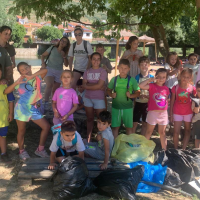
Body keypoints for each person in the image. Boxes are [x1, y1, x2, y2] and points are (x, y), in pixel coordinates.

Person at [4, 62, 50, 160]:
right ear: (20, 73)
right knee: (21, 130)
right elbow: (6, 91)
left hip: (33, 108)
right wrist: (16, 82)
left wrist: (32, 76)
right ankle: (21, 151)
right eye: (22, 70)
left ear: (30, 67)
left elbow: (45, 70)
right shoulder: (20, 81)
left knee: (46, 126)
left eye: (26, 68)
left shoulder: (37, 78)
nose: (25, 71)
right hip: (21, 109)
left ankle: (40, 150)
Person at [107, 59, 140, 138]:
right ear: (118, 68)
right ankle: (114, 146)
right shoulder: (114, 79)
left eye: (125, 68)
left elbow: (138, 92)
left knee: (129, 128)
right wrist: (111, 95)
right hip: (116, 107)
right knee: (115, 128)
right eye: (121, 68)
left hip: (128, 108)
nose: (123, 70)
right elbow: (108, 90)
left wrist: (131, 96)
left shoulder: (132, 80)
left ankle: (130, 145)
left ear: (129, 69)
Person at [139, 68, 170, 150]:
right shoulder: (152, 86)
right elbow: (141, 85)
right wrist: (149, 80)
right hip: (153, 113)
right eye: (159, 77)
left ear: (166, 78)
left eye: (163, 77)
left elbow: (167, 100)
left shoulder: (166, 89)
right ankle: (143, 150)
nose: (161, 79)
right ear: (156, 77)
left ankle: (165, 151)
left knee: (162, 133)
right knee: (149, 132)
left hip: (163, 114)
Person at [41, 36, 70, 112]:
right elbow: (43, 55)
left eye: (65, 42)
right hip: (49, 69)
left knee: (55, 90)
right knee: (49, 84)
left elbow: (66, 65)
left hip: (59, 72)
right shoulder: (52, 48)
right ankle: (46, 103)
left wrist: (64, 57)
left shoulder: (66, 53)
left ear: (66, 45)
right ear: (60, 41)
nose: (62, 42)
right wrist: (43, 63)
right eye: (62, 40)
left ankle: (53, 105)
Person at [83, 52, 107, 142]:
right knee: (89, 119)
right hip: (87, 98)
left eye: (98, 59)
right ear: (91, 60)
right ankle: (88, 138)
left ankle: (101, 139)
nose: (96, 61)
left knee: (101, 119)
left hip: (99, 99)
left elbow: (98, 85)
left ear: (100, 60)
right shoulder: (87, 71)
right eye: (94, 59)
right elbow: (84, 84)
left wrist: (88, 85)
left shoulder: (103, 71)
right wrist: (96, 85)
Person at [170, 68, 195, 150]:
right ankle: (176, 149)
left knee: (187, 131)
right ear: (180, 76)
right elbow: (172, 101)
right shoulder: (175, 88)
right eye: (184, 76)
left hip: (188, 112)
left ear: (190, 78)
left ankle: (183, 149)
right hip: (177, 112)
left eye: (188, 77)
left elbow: (194, 101)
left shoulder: (192, 88)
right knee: (176, 132)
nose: (185, 79)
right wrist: (170, 114)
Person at [132, 56, 154, 135]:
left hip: (148, 103)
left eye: (145, 65)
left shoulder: (152, 78)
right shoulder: (136, 78)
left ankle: (142, 140)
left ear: (149, 66)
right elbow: (134, 90)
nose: (144, 67)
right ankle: (132, 140)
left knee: (145, 123)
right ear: (138, 66)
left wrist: (149, 97)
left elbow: (154, 91)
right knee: (134, 123)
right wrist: (138, 95)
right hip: (138, 102)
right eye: (142, 65)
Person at [68, 25, 93, 90]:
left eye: (79, 34)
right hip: (77, 68)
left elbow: (91, 58)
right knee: (72, 84)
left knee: (86, 85)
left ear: (82, 34)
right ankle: (73, 99)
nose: (77, 36)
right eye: (76, 34)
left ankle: (84, 99)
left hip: (86, 68)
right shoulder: (73, 45)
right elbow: (71, 59)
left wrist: (87, 69)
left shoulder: (86, 44)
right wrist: (70, 70)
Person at [0, 64, 15, 162]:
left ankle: (4, 153)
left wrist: (10, 114)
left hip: (3, 117)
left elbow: (11, 101)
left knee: (2, 136)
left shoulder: (5, 85)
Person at [191, 81, 200, 148]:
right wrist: (197, 104)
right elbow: (195, 111)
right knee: (197, 138)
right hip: (197, 121)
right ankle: (197, 152)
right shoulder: (195, 100)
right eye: (199, 91)